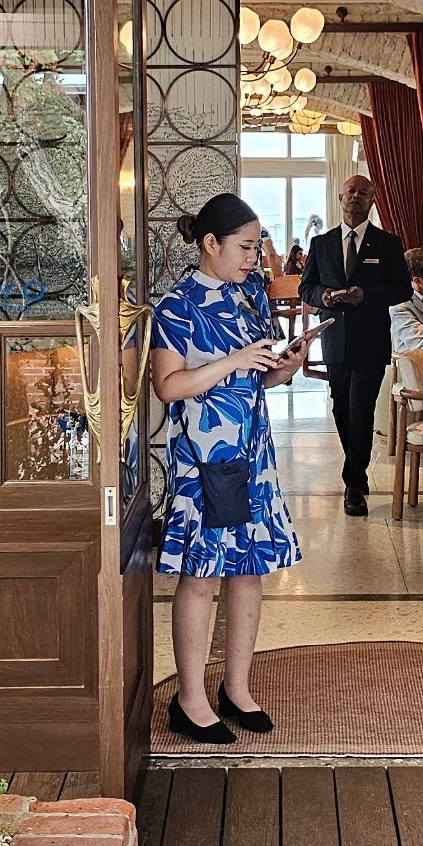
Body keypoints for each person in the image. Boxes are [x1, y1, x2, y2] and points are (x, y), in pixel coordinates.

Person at [150, 192, 317, 745]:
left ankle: (237, 689)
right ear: (210, 243)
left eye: (256, 246)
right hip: (204, 460)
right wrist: (235, 360)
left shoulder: (249, 296)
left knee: (249, 570)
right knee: (201, 576)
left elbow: (254, 380)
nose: (254, 256)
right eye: (245, 247)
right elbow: (168, 386)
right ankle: (189, 699)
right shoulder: (176, 306)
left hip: (254, 455)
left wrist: (282, 369)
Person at [300, 172, 409, 515]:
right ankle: (357, 468)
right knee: (342, 409)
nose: (355, 196)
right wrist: (324, 296)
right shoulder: (321, 244)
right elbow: (306, 288)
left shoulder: (388, 243)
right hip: (335, 341)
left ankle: (353, 483)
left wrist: (367, 295)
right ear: (340, 198)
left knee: (361, 409)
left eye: (363, 192)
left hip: (371, 341)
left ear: (372, 200)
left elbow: (402, 289)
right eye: (350, 191)